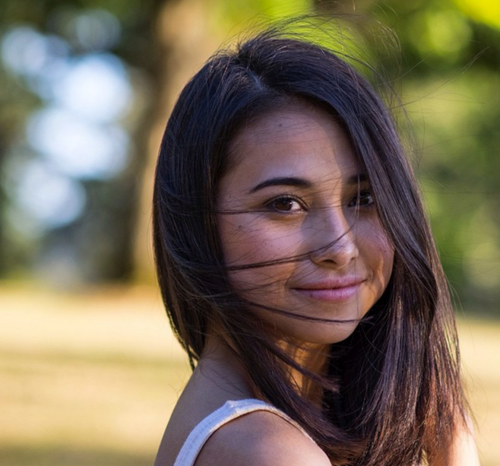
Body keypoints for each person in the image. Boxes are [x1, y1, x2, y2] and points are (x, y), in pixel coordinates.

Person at [152, 22, 480, 466]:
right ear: (197, 223)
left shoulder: (255, 424)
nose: (340, 248)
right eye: (285, 203)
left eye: (363, 198)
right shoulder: (270, 451)